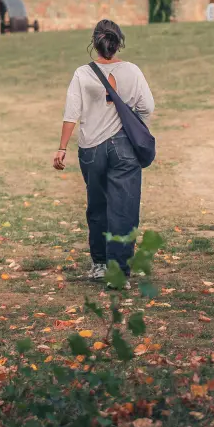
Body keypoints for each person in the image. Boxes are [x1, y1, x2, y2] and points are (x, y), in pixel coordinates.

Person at [53, 19, 155, 288]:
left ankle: (99, 265)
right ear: (118, 41)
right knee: (124, 209)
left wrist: (62, 148)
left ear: (95, 42)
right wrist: (130, 122)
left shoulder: (82, 74)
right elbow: (147, 107)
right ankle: (118, 272)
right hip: (124, 148)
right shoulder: (132, 71)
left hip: (91, 149)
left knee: (97, 206)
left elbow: (71, 113)